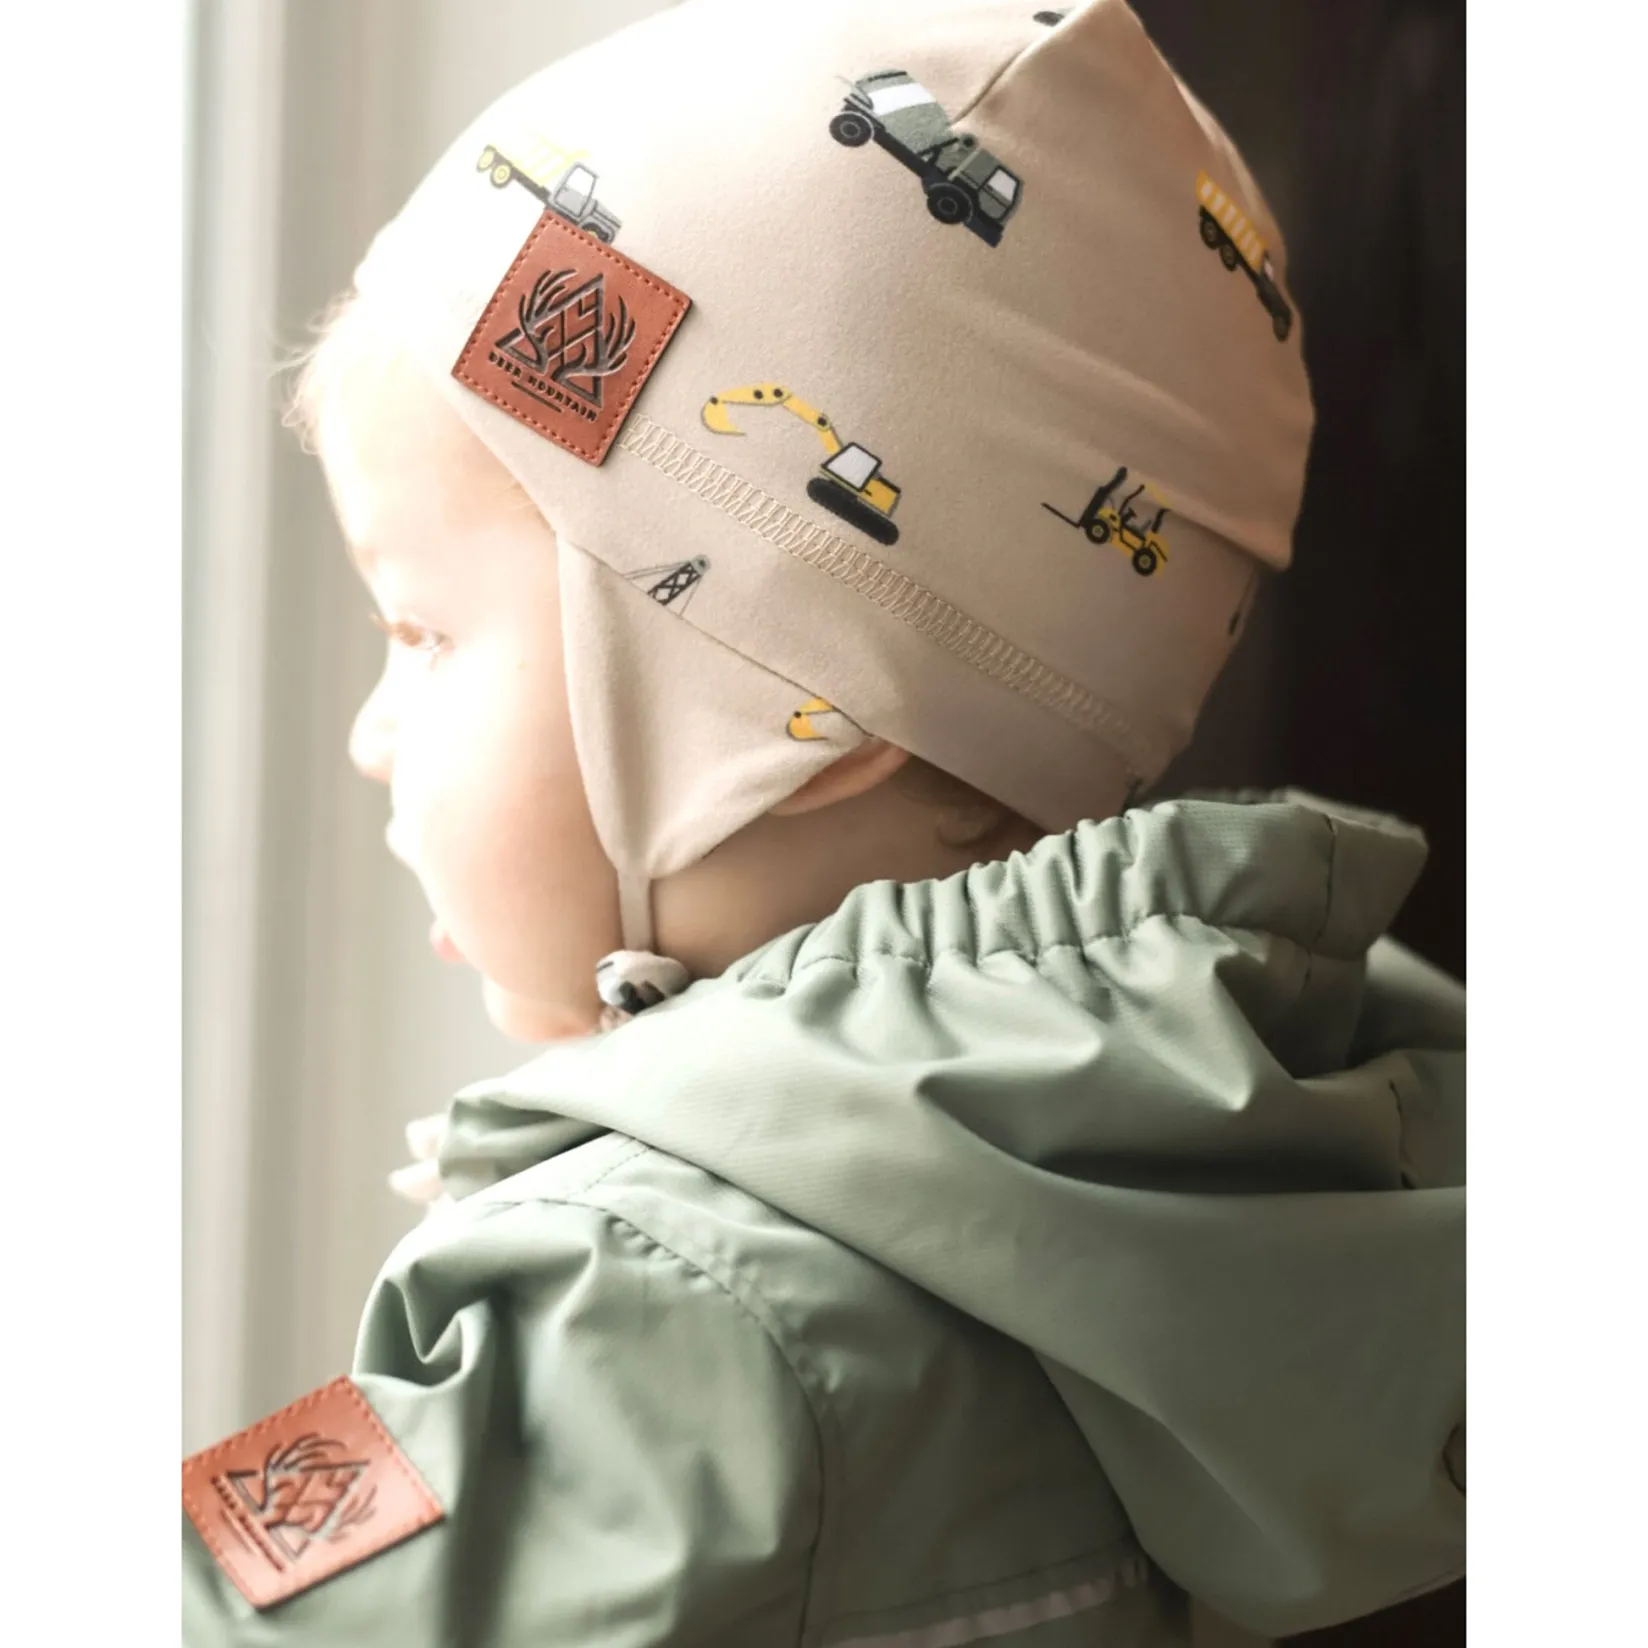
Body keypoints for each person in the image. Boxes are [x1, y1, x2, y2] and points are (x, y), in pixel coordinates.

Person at [181, 1, 1465, 1643]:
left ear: (801, 704)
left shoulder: (641, 1322)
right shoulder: (1310, 1168)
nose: (370, 737)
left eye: (421, 632)